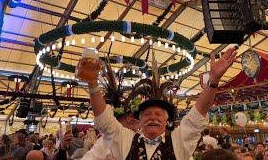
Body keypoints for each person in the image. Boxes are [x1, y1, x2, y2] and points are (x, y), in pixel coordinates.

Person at [79, 47, 237, 159]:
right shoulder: (126, 139)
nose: (152, 117)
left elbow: (199, 112)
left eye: (158, 114)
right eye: (147, 114)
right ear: (140, 120)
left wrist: (214, 81)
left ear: (166, 119)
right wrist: (93, 84)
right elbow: (104, 120)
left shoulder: (178, 140)